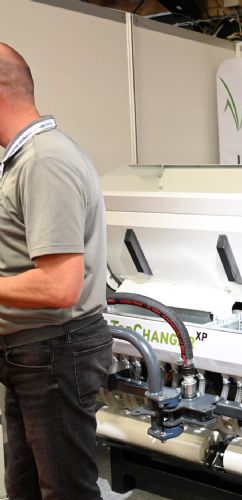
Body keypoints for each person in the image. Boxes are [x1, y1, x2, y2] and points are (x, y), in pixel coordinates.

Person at [0, 42, 112, 500]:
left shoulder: (44, 161)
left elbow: (59, 285)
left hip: (53, 351)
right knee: (25, 487)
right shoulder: (24, 160)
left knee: (65, 491)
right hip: (32, 352)